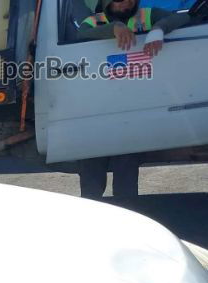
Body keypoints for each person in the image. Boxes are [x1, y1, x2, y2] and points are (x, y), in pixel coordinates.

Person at [74, 0, 189, 198]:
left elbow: (185, 17)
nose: (126, 5)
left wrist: (159, 29)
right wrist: (114, 28)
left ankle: (127, 215)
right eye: (119, 1)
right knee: (92, 170)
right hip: (98, 110)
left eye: (129, 0)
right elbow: (81, 34)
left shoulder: (147, 15)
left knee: (126, 168)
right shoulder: (94, 21)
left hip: (130, 109)